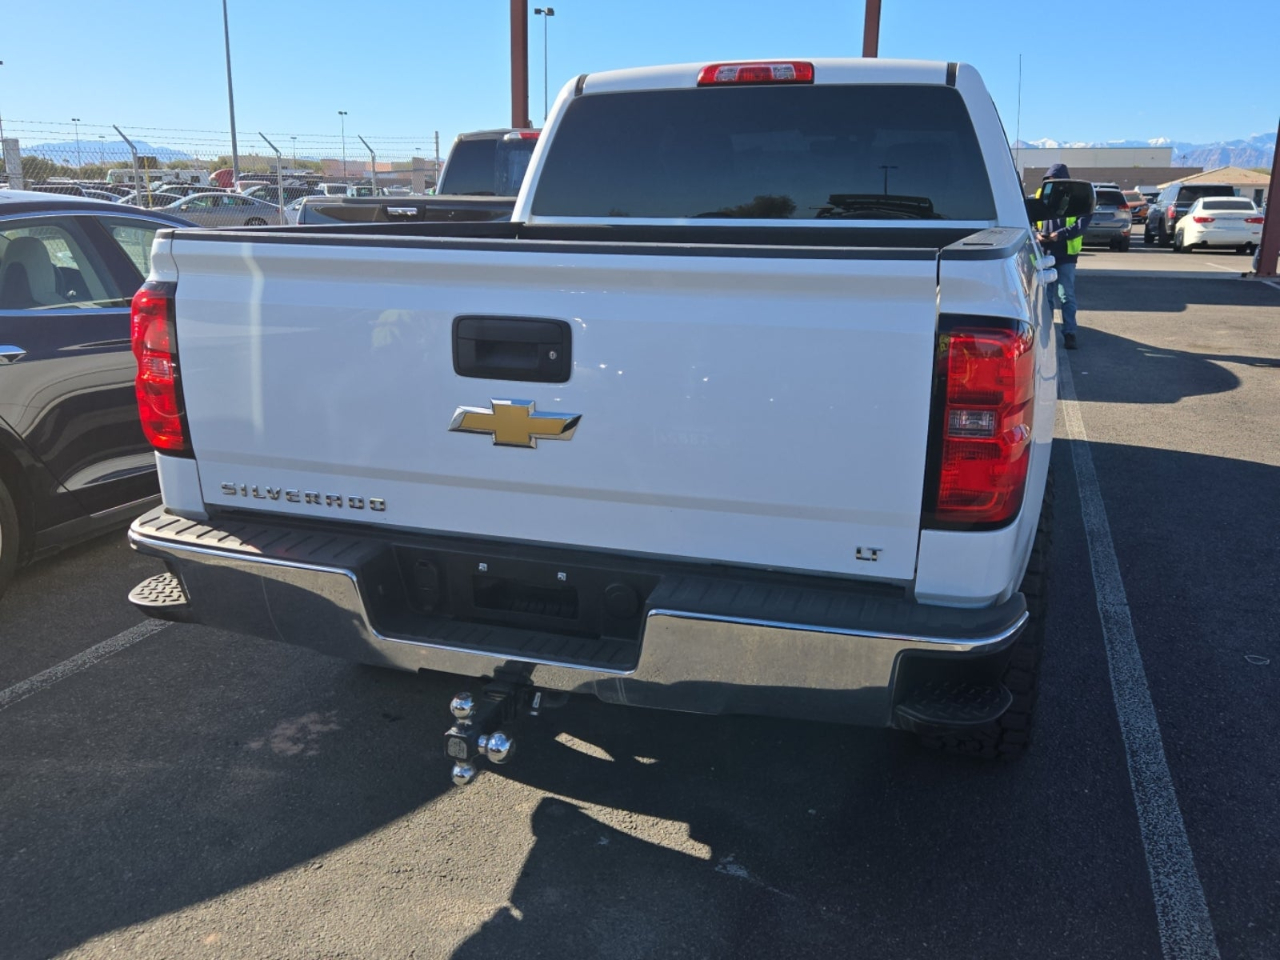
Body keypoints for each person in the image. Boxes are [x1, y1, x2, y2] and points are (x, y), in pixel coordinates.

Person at [1035, 162, 1088, 349]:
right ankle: (1047, 335)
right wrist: (1037, 234)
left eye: (1055, 180)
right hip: (1045, 252)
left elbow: (1082, 223)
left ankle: (1070, 334)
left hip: (1066, 255)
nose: (1052, 184)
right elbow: (1030, 218)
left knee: (1066, 296)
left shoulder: (1077, 197)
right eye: (1048, 181)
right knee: (1046, 298)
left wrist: (1061, 234)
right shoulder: (1041, 195)